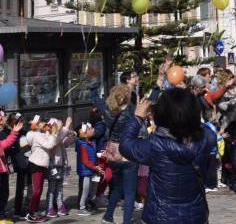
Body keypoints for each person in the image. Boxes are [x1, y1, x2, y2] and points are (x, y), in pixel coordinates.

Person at [117, 88, 214, 223]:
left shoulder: (156, 145)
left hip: (160, 216)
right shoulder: (205, 139)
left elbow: (126, 145)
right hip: (195, 216)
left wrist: (138, 117)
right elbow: (207, 130)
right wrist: (188, 112)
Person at [98, 84, 138, 224]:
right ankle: (127, 221)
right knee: (130, 191)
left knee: (117, 187)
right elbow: (148, 104)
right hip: (127, 151)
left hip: (113, 152)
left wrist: (93, 87)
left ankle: (108, 216)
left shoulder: (108, 110)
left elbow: (96, 99)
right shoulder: (131, 110)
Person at [74, 122, 102, 216]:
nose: (93, 130)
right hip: (85, 171)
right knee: (84, 189)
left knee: (92, 188)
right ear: (84, 133)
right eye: (90, 129)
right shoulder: (82, 144)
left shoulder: (92, 143)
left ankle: (88, 202)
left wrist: (97, 167)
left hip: (93, 170)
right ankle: (81, 207)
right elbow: (85, 161)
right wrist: (95, 167)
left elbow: (94, 156)